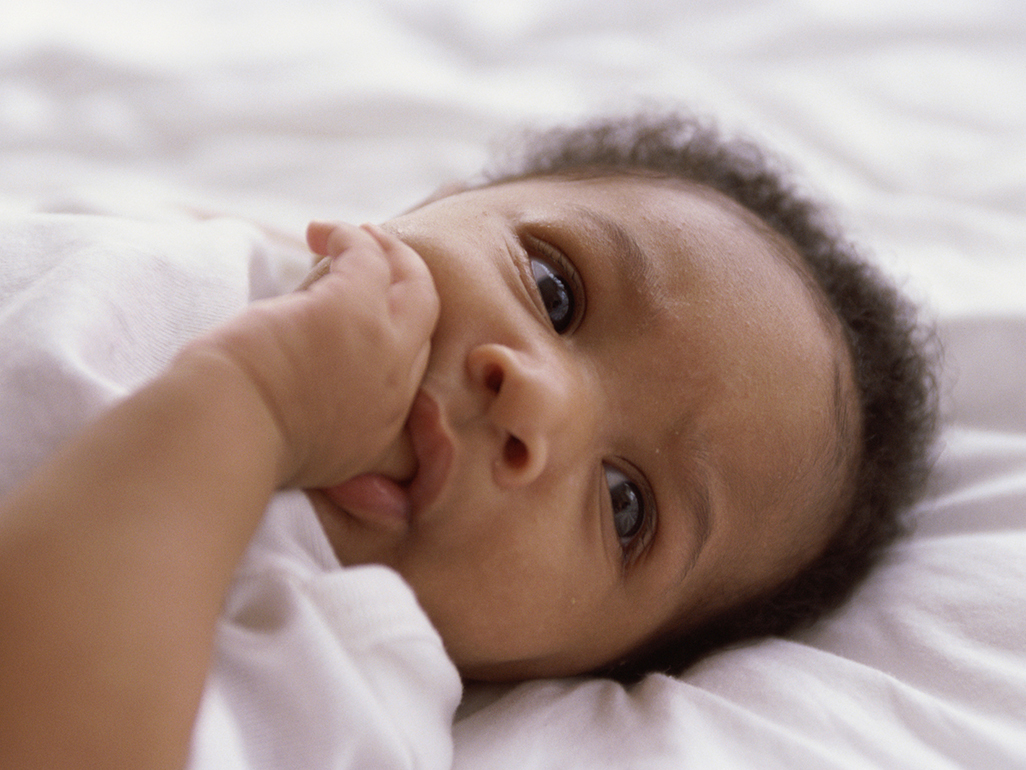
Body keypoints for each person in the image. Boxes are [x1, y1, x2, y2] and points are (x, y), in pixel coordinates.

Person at [0, 111, 937, 769]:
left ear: (582, 661)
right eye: (555, 290)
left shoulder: (343, 666)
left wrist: (251, 406)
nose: (539, 400)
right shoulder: (245, 268)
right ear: (439, 199)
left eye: (625, 506)